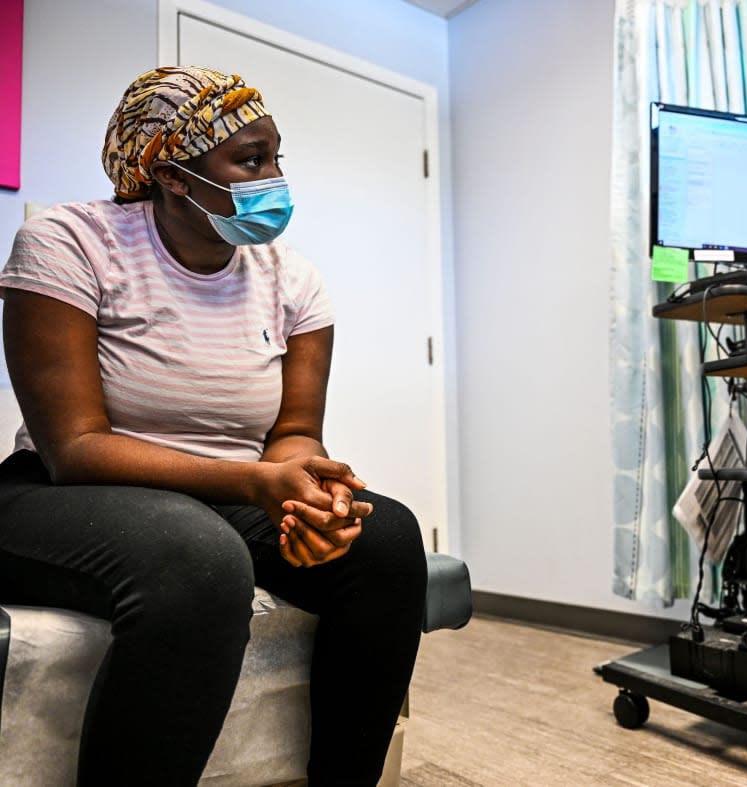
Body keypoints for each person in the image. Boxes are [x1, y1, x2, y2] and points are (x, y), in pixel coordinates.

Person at [0, 66, 427, 785]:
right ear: (172, 174)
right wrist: (255, 482)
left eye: (277, 155)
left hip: (227, 497)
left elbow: (293, 430)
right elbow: (75, 446)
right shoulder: (68, 243)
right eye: (252, 159)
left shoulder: (294, 280)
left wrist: (307, 490)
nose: (276, 177)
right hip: (61, 492)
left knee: (386, 537)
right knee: (197, 556)